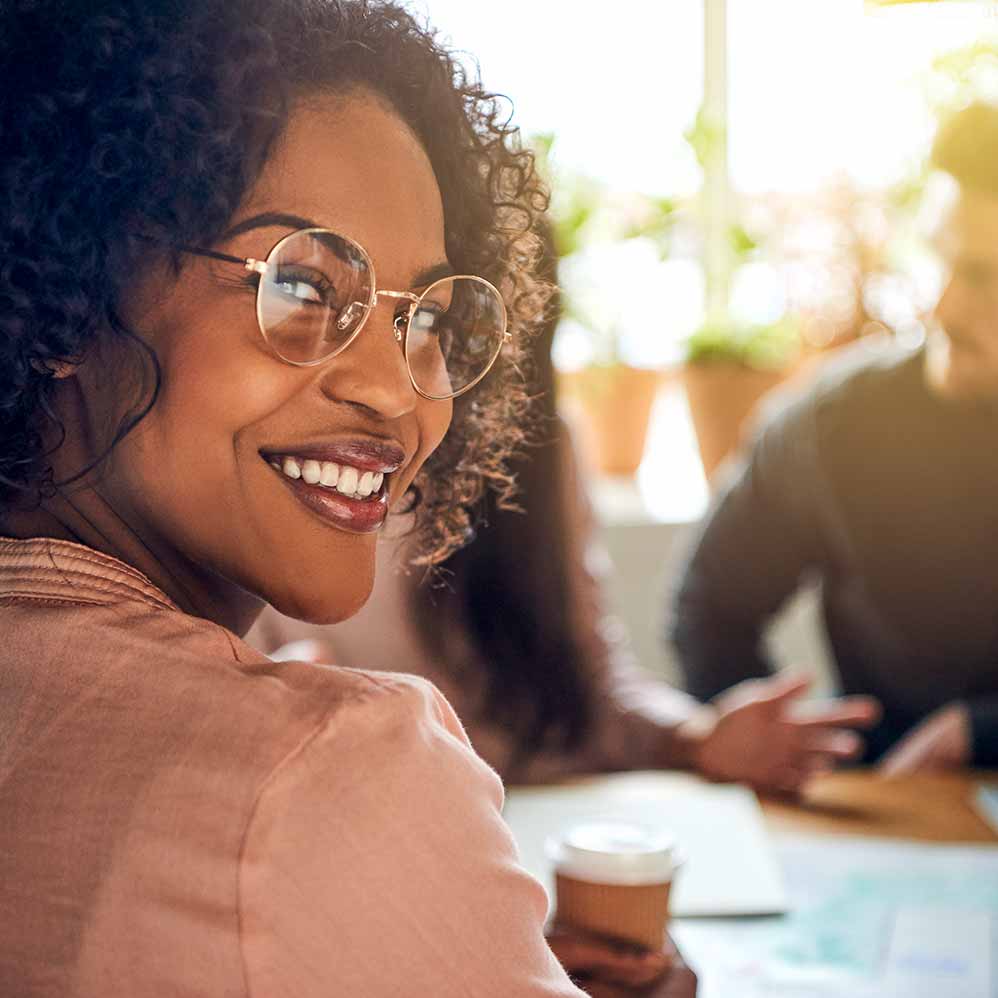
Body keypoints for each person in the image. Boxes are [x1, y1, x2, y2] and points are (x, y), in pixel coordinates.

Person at [0, 2, 695, 995]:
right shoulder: (329, 771)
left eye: (426, 318)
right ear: (68, 289)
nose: (397, 386)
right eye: (301, 287)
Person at [250, 237, 879, 799]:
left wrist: (698, 739)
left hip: (539, 823)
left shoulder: (544, 447)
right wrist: (272, 703)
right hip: (378, 828)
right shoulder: (302, 453)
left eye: (471, 313)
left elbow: (595, 692)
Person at [671, 101, 998, 774]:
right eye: (942, 261)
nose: (942, 308)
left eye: (984, 278)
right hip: (890, 822)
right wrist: (780, 750)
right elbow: (712, 607)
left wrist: (980, 734)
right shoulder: (834, 424)